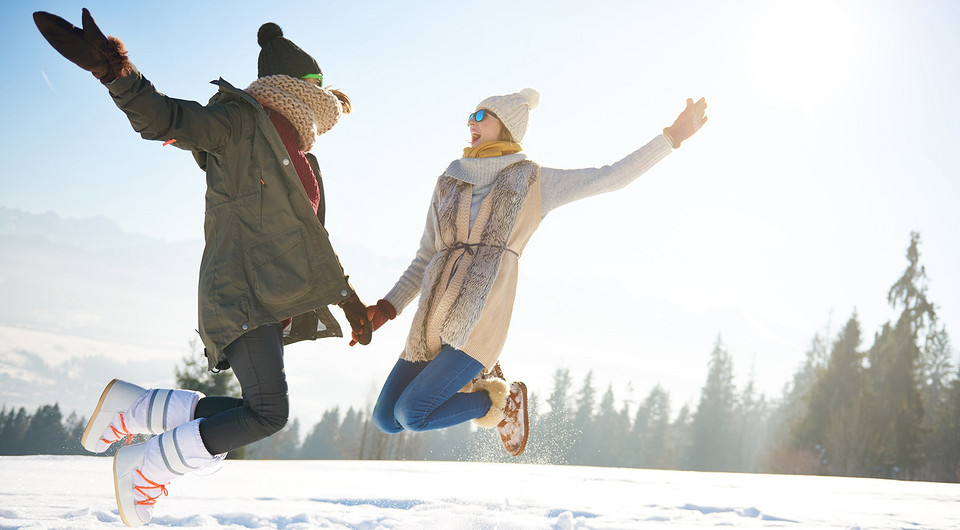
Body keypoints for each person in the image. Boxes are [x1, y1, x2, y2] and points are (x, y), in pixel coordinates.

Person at [33, 9, 372, 527]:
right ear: (302, 89)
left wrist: (349, 301)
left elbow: (309, 241)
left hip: (268, 300)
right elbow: (166, 117)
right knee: (267, 414)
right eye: (320, 90)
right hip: (238, 294)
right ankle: (145, 465)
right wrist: (117, 73)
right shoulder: (239, 125)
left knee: (258, 412)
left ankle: (136, 410)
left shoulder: (300, 155)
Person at [357, 87, 707, 457]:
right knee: (386, 417)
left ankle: (500, 404)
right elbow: (426, 256)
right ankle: (487, 390)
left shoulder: (533, 180)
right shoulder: (449, 180)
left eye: (479, 117)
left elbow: (611, 177)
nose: (470, 124)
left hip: (480, 318)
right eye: (469, 118)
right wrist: (386, 308)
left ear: (505, 125)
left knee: (413, 414)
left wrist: (671, 138)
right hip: (432, 317)